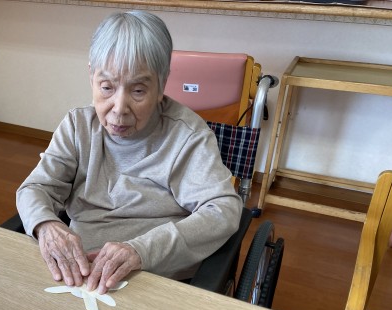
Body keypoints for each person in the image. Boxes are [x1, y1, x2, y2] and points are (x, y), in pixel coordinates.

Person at [17, 11, 242, 294]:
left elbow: (223, 210)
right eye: (107, 87)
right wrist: (47, 225)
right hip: (79, 275)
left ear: (161, 85)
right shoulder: (77, 127)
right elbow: (35, 188)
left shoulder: (187, 136)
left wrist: (141, 250)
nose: (119, 108)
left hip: (156, 278)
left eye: (138, 91)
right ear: (91, 76)